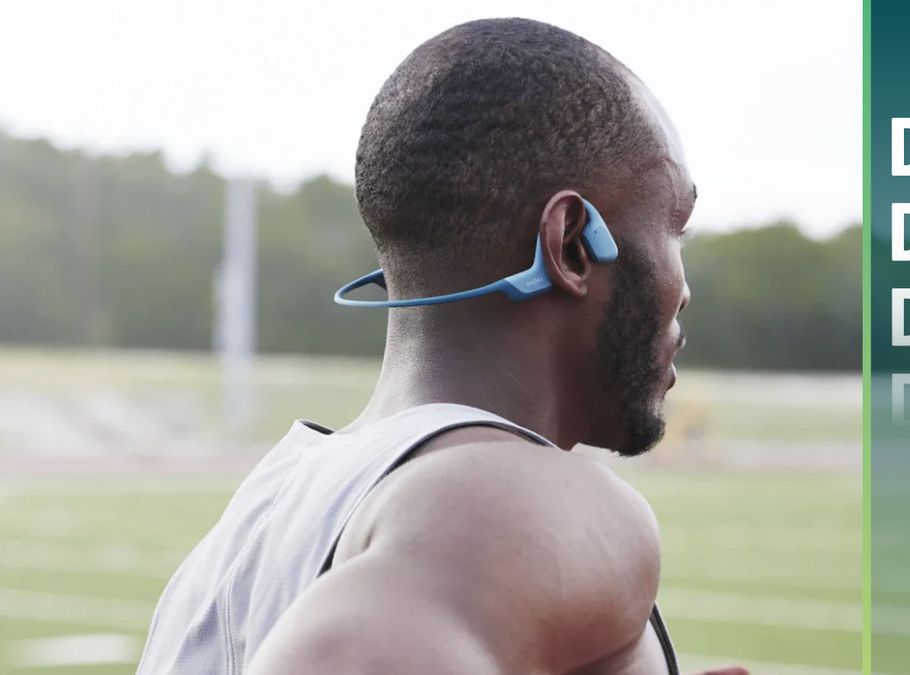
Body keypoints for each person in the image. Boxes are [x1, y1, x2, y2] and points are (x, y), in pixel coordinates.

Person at [139, 17, 746, 675]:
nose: (682, 289)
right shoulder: (503, 501)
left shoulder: (235, 540)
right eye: (673, 228)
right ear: (571, 244)